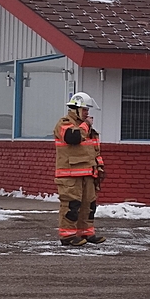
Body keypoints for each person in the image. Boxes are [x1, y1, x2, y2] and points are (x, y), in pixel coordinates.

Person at [53, 92, 106, 246]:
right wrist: (86, 125)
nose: (87, 113)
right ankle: (67, 236)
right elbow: (73, 138)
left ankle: (86, 233)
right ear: (75, 109)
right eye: (84, 110)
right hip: (70, 176)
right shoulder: (64, 123)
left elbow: (95, 151)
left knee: (88, 205)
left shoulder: (87, 129)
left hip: (88, 174)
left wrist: (100, 168)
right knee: (71, 205)